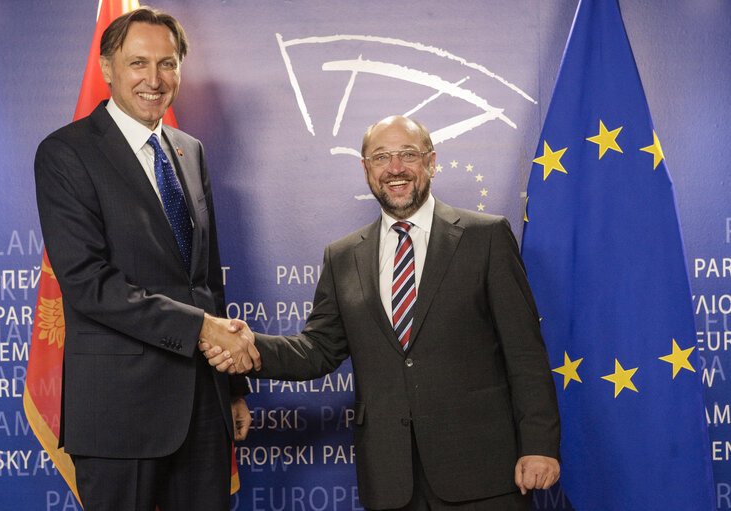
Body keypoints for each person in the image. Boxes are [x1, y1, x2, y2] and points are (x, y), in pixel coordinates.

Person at [204, 115, 561, 510]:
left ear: (431, 162)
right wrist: (249, 347)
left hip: (484, 475)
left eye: (408, 154)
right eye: (381, 158)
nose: (395, 168)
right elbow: (318, 349)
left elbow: (525, 353)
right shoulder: (343, 257)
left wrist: (539, 446)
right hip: (391, 482)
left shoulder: (486, 236)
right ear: (366, 169)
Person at [34, 7, 260, 510]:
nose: (154, 79)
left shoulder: (189, 150)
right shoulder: (66, 153)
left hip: (203, 408)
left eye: (168, 63)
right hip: (119, 412)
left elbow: (205, 280)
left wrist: (232, 387)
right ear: (108, 67)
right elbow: (89, 283)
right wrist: (202, 328)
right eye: (139, 63)